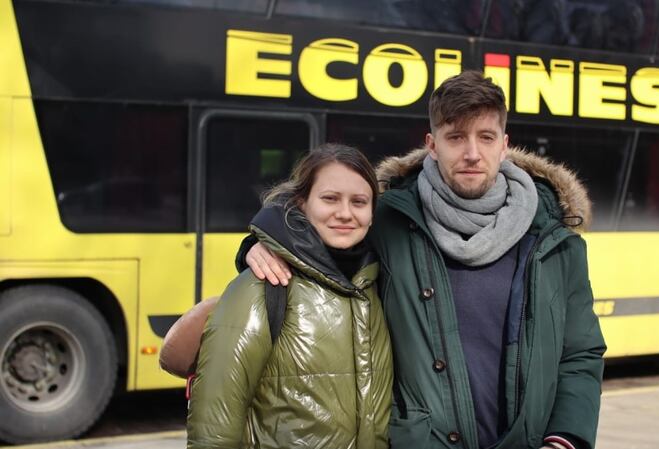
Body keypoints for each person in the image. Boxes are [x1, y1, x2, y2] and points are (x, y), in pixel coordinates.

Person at [240, 71, 606, 449]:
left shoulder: (555, 238)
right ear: (432, 145)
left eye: (485, 137)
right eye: (456, 137)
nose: (472, 153)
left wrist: (565, 440)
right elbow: (314, 232)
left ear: (504, 145)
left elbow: (581, 354)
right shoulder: (388, 220)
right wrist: (261, 243)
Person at [185, 143, 393, 449]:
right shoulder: (261, 286)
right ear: (301, 202)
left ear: (373, 212)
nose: (345, 213)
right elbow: (213, 430)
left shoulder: (383, 283)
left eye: (359, 202)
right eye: (330, 199)